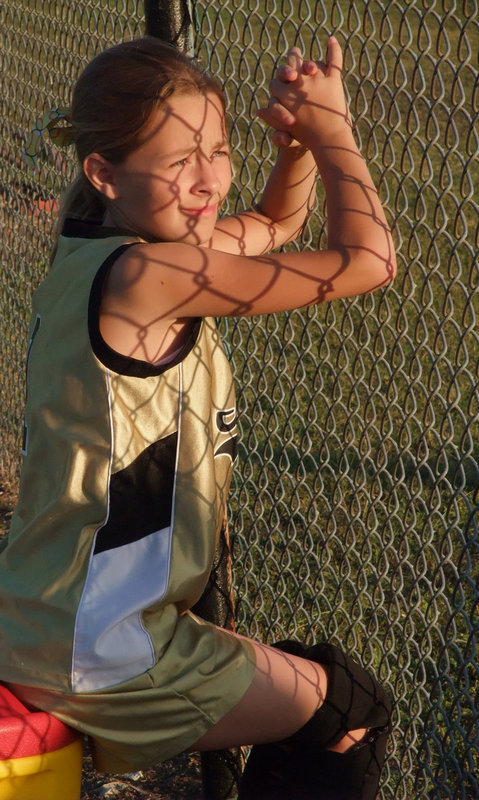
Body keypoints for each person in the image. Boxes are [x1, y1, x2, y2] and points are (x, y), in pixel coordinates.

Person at [0, 35, 396, 799]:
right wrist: (331, 131)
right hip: (100, 646)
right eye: (180, 160)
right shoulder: (151, 273)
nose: (207, 177)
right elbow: (368, 262)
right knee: (350, 707)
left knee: (312, 680)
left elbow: (274, 224)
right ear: (103, 172)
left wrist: (291, 149)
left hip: (50, 612)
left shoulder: (108, 250)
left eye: (217, 148)